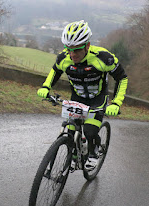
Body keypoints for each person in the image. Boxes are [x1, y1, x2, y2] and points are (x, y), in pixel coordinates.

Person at [37, 20, 128, 171]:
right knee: (71, 130)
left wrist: (116, 102)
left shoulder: (104, 58)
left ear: (87, 45)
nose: (72, 54)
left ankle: (94, 151)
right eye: (69, 49)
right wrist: (46, 87)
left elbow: (122, 78)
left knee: (90, 131)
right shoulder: (63, 58)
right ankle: (73, 156)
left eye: (77, 50)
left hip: (98, 98)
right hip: (77, 97)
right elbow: (55, 71)